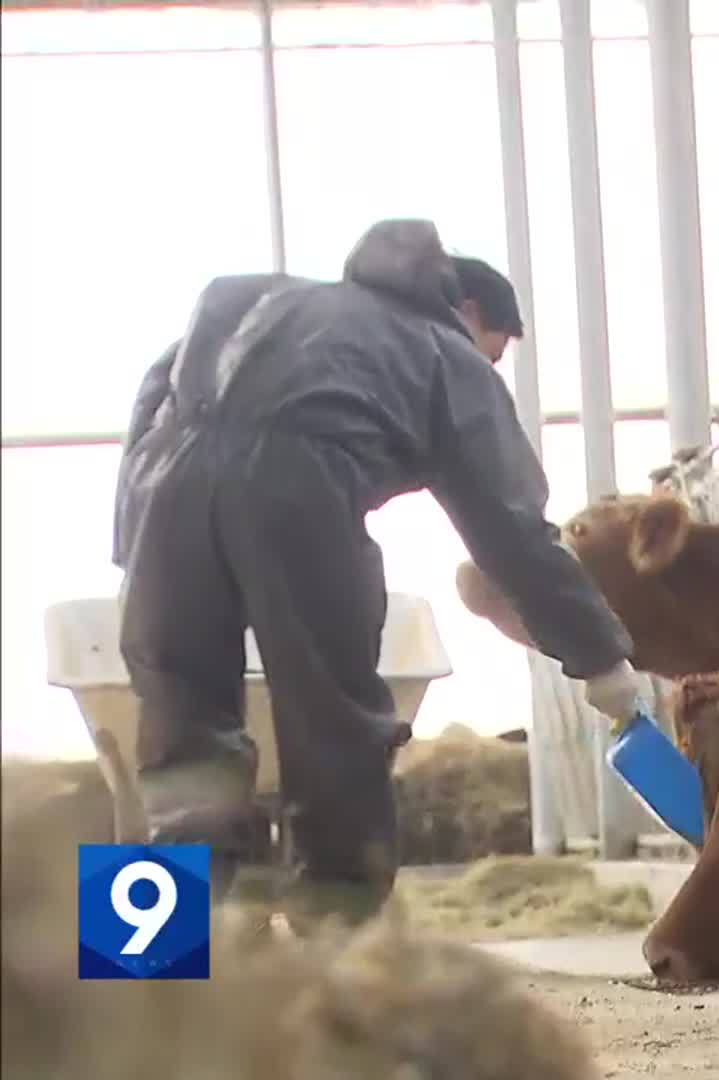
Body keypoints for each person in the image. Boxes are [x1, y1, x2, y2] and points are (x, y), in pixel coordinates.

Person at [109, 218, 648, 929]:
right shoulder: (441, 351)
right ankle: (339, 956)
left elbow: (155, 389)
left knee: (175, 742)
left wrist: (134, 542)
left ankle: (153, 976)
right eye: (491, 355)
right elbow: (511, 528)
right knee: (337, 724)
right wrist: (601, 659)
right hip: (298, 487)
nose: (486, 371)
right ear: (471, 314)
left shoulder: (254, 299)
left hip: (162, 484)